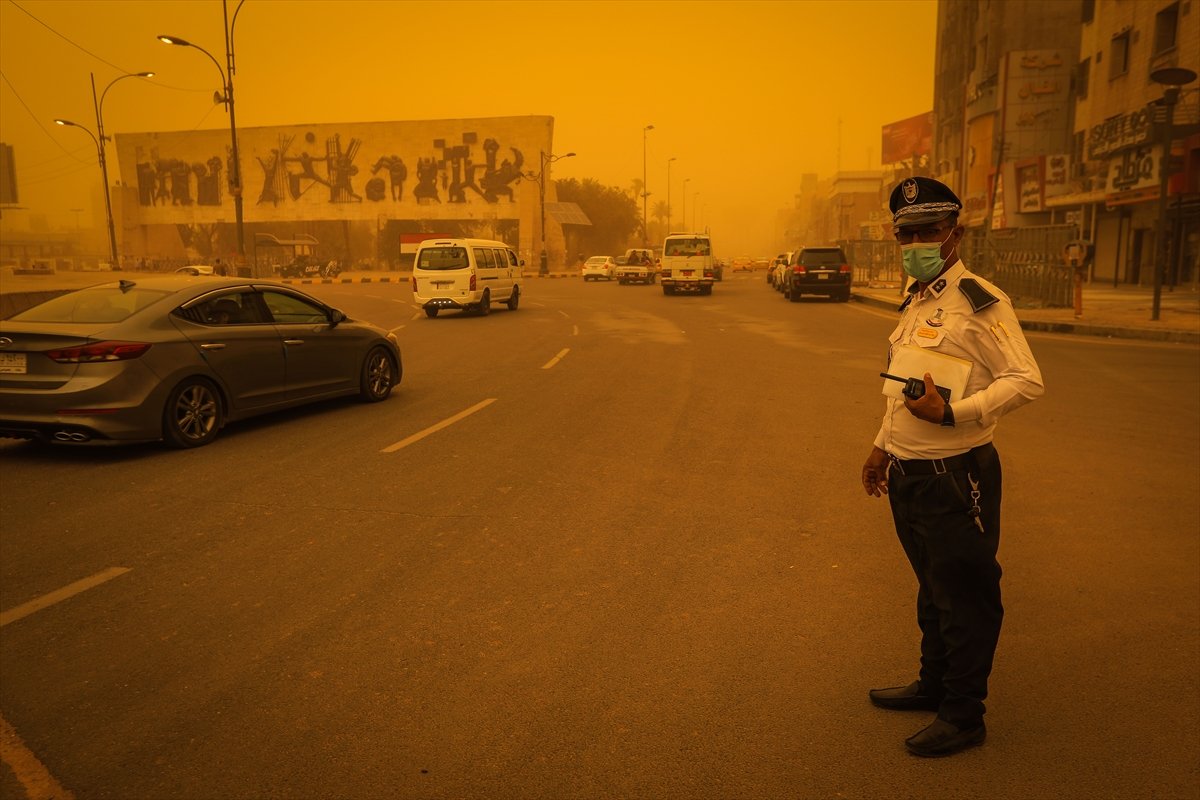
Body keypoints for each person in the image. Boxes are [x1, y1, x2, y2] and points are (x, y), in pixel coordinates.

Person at [861, 176, 1044, 757]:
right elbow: (903, 389)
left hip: (954, 477)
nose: (915, 240)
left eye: (928, 231)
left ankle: (964, 713)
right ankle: (934, 683)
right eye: (906, 232)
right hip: (910, 477)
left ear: (954, 233)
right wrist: (882, 446)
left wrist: (953, 414)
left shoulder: (978, 302)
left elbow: (1026, 380)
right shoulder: (918, 299)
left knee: (965, 596)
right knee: (931, 588)